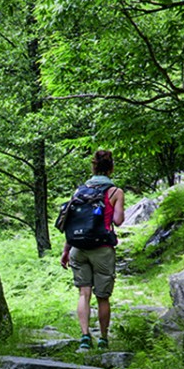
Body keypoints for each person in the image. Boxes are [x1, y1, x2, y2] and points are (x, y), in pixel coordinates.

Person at [59, 149, 125, 351]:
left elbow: (71, 221)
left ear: (93, 167)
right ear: (111, 168)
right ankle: (103, 339)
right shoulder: (115, 192)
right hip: (102, 249)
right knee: (102, 297)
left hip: (77, 248)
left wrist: (65, 251)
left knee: (83, 293)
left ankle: (85, 337)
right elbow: (118, 221)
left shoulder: (79, 191)